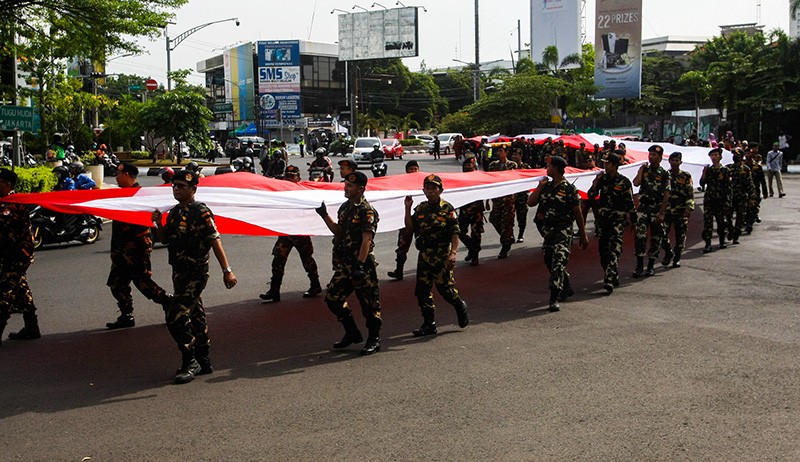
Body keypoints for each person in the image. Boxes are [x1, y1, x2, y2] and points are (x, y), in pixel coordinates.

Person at [151, 170, 237, 384]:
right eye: (175, 186)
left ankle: (190, 360)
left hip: (196, 273)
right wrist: (157, 224)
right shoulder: (173, 213)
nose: (177, 189)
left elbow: (215, 240)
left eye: (181, 186)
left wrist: (227, 270)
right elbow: (165, 239)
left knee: (176, 316)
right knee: (196, 314)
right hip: (179, 273)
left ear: (193, 189)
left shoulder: (201, 212)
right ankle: (204, 358)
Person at [315, 171, 381, 356]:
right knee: (333, 298)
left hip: (362, 265)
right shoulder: (345, 208)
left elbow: (366, 240)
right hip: (345, 265)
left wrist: (360, 265)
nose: (346, 187)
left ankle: (374, 339)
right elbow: (338, 231)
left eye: (350, 186)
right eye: (345, 184)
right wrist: (324, 215)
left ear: (360, 189)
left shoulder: (366, 211)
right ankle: (351, 331)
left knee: (369, 304)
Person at [106, 163, 171, 329]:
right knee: (117, 283)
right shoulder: (121, 195)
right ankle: (127, 315)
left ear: (126, 174)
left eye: (118, 174)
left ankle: (169, 302)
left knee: (143, 282)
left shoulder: (141, 195)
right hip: (121, 249)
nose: (116, 177)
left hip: (136, 247)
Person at [404, 174, 469, 337]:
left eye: (434, 188)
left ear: (441, 190)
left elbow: (455, 233)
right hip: (425, 256)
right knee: (422, 290)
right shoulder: (420, 208)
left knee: (445, 289)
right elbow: (410, 227)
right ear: (423, 190)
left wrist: (453, 253)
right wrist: (407, 208)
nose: (431, 191)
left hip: (441, 255)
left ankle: (459, 305)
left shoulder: (447, 208)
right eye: (428, 188)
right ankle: (429, 324)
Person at [527, 156, 589, 312]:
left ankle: (554, 298)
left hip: (563, 230)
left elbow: (578, 213)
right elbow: (531, 202)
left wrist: (583, 234)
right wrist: (539, 187)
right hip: (548, 231)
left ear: (555, 168)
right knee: (549, 260)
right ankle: (566, 284)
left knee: (558, 262)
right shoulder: (546, 186)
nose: (546, 168)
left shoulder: (569, 189)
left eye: (548, 165)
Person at [259, 165, 322, 302]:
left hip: (301, 232)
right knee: (278, 260)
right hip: (286, 233)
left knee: (307, 260)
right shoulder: (281, 192)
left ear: (298, 177)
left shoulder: (304, 192)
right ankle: (274, 290)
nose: (289, 179)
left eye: (292, 176)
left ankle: (315, 285)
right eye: (288, 176)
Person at [0, 169, 41, 344]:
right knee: (21, 289)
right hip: (8, 255)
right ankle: (32, 327)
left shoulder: (13, 204)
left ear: (8, 185)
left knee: (4, 293)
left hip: (18, 255)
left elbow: (4, 224)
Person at [586, 153, 634, 294]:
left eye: (607, 163)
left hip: (618, 220)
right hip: (603, 220)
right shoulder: (602, 180)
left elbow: (629, 203)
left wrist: (634, 221)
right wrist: (595, 183)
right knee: (603, 251)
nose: (605, 166)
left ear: (614, 165)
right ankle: (613, 274)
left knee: (614, 249)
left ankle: (608, 278)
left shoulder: (624, 182)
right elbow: (591, 196)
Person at [632, 145, 670, 278]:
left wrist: (662, 212)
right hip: (643, 208)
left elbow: (666, 194)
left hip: (656, 208)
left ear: (660, 158)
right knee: (640, 236)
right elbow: (636, 183)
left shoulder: (664, 173)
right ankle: (639, 265)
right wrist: (641, 171)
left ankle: (650, 266)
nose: (651, 157)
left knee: (656, 237)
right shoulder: (645, 170)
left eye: (654, 155)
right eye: (650, 154)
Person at [660, 152, 694, 268]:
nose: (674, 162)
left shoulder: (685, 176)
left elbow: (690, 193)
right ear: (669, 161)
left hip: (681, 210)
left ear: (680, 162)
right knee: (662, 233)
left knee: (680, 236)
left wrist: (689, 208)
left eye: (676, 160)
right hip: (667, 210)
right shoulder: (665, 175)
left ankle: (677, 257)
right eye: (672, 160)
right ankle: (668, 252)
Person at [388, 160, 419, 280]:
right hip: (406, 219)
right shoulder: (400, 184)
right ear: (406, 171)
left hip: (422, 219)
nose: (413, 171)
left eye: (415, 169)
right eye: (411, 169)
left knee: (425, 244)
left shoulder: (425, 183)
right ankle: (399, 270)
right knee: (402, 246)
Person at [487, 145, 518, 258]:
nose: (498, 153)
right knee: (494, 219)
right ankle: (508, 237)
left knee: (507, 222)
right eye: (498, 151)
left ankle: (505, 246)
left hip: (508, 199)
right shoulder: (493, 165)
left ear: (506, 153)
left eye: (501, 151)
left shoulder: (512, 165)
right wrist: (487, 199)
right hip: (497, 198)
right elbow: (489, 181)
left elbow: (516, 180)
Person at [699, 147, 731, 253]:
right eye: (712, 155)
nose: (714, 157)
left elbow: (728, 187)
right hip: (709, 199)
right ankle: (708, 244)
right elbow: (702, 183)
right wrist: (704, 173)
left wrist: (727, 202)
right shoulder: (709, 169)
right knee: (708, 222)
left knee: (721, 221)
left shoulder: (725, 170)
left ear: (720, 157)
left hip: (721, 200)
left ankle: (722, 240)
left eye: (716, 155)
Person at [458, 156, 485, 266]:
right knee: (459, 232)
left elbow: (487, 188)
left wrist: (487, 201)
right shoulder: (460, 178)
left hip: (476, 210)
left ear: (474, 166)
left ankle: (475, 256)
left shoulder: (479, 176)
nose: (468, 167)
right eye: (466, 165)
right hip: (464, 209)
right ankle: (472, 249)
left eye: (470, 165)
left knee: (476, 233)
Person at [725, 149, 755, 245]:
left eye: (737, 155)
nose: (735, 156)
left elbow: (750, 184)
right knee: (728, 217)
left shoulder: (745, 169)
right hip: (730, 197)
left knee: (740, 217)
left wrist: (752, 197)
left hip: (741, 197)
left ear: (741, 157)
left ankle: (736, 236)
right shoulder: (728, 168)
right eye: (734, 154)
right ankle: (730, 230)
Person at [509, 148, 530, 242]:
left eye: (516, 154)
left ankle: (521, 234)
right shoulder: (509, 167)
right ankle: (511, 235)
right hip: (510, 197)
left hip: (521, 196)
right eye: (513, 154)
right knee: (509, 218)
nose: (514, 156)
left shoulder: (526, 167)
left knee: (521, 216)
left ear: (520, 156)